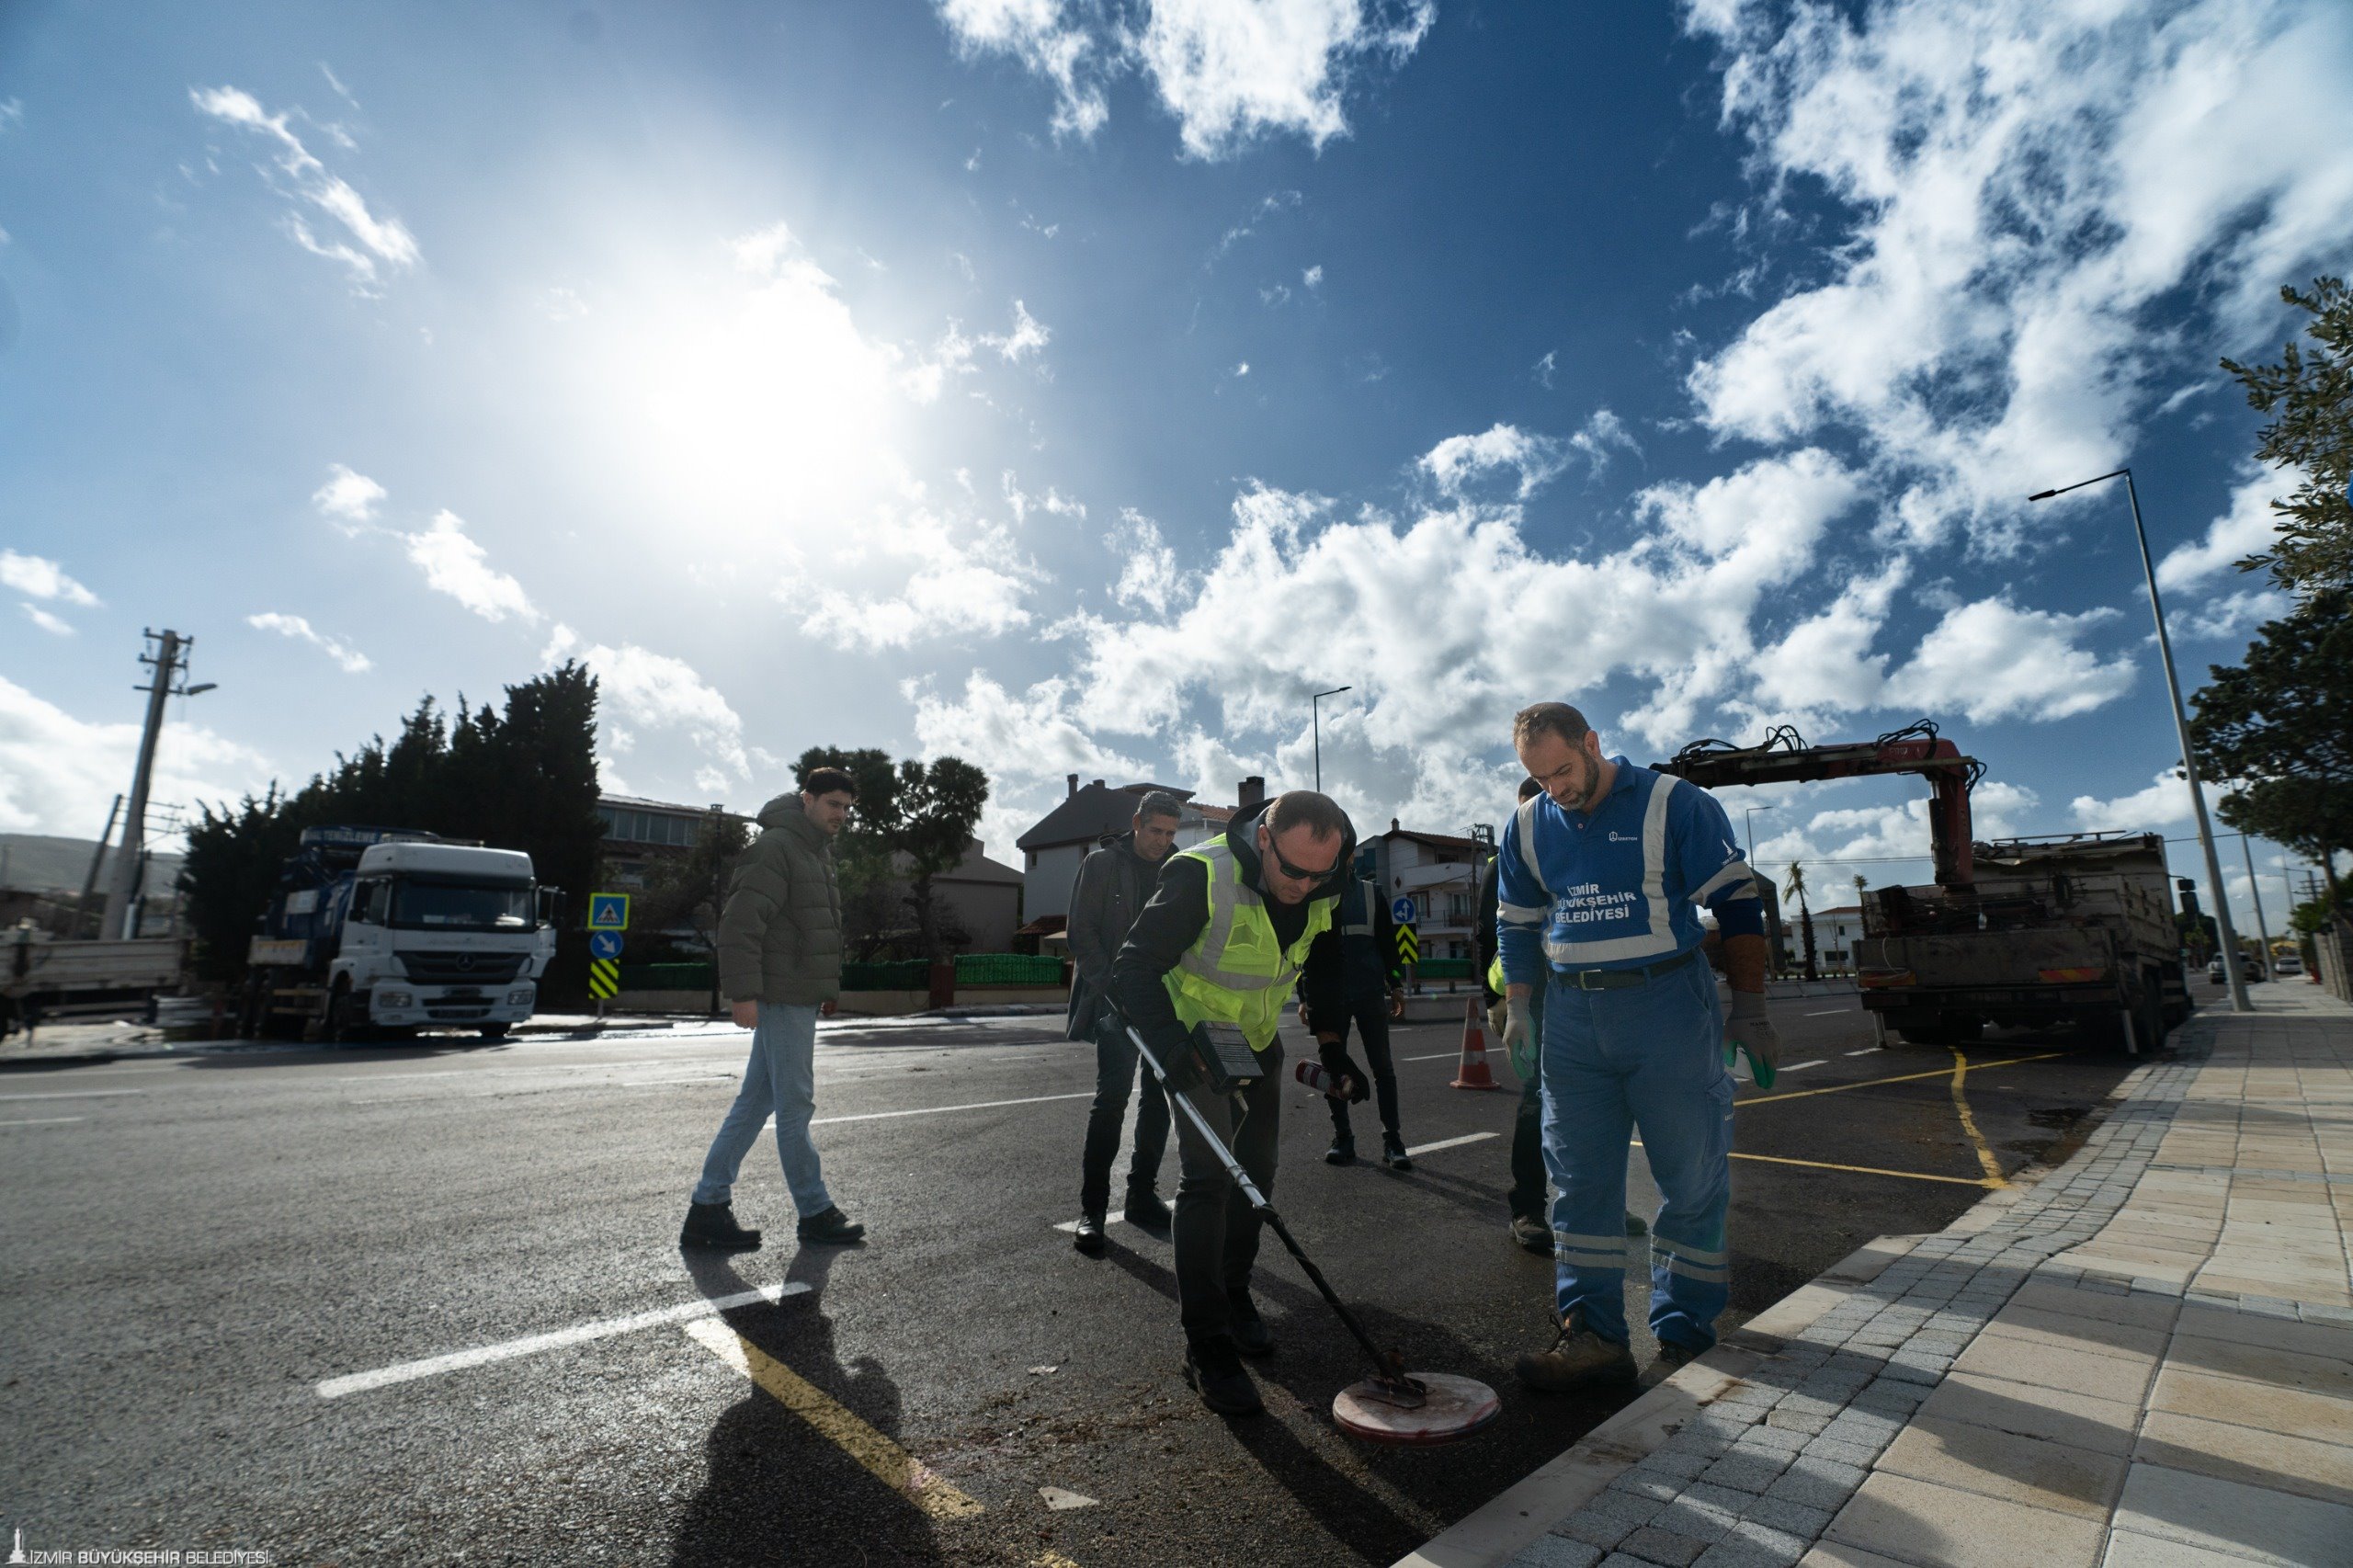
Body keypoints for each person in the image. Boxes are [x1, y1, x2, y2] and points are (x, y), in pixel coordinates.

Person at [1496, 702, 1778, 1390]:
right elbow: (1517, 922)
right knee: (1578, 1183)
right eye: (1541, 777)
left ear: (1593, 742)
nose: (1556, 789)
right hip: (1572, 1017)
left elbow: (1736, 901)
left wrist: (1751, 1009)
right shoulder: (1528, 823)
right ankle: (1593, 1336)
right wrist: (1520, 1007)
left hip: (1666, 1006)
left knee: (1690, 1176)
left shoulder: (1674, 803)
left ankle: (1685, 1335)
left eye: (1564, 770)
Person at [1109, 790, 1357, 1416]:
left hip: (1259, 1043)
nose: (1303, 885)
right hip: (1195, 1041)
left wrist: (1333, 1046)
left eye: (1318, 873)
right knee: (1209, 1180)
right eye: (1293, 869)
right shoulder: (1201, 875)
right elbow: (1132, 968)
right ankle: (1207, 1345)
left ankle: (1235, 1291)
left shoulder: (1327, 880)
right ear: (1264, 839)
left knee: (1259, 1174)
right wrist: (1171, 1046)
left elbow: (1326, 966)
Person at [681, 767, 867, 1252]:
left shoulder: (814, 853)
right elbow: (741, 924)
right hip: (780, 996)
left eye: (847, 807)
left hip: (798, 992)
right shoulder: (776, 847)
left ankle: (707, 1209)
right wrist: (742, 993)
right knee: (795, 1105)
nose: (841, 815)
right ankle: (815, 1211)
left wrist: (826, 986)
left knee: (754, 1103)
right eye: (833, 804)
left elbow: (813, 929)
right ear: (807, 799)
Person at [1068, 790, 1186, 1254]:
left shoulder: (1181, 869)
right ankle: (1093, 1211)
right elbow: (1082, 933)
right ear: (1137, 823)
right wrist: (1112, 987)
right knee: (1111, 1101)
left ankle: (1141, 1197)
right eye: (1156, 830)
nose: (1163, 840)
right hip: (1115, 1000)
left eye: (1170, 833)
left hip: (1162, 1002)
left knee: (1158, 1100)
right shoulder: (1101, 865)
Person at [1304, 873, 1410, 1170]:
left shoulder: (1371, 894)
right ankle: (1343, 1138)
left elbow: (1389, 944)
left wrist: (1396, 984)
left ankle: (1393, 1141)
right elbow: (1307, 949)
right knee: (1334, 1069)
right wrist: (1304, 997)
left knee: (1383, 1068)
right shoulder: (1317, 893)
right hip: (1332, 999)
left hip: (1370, 994)